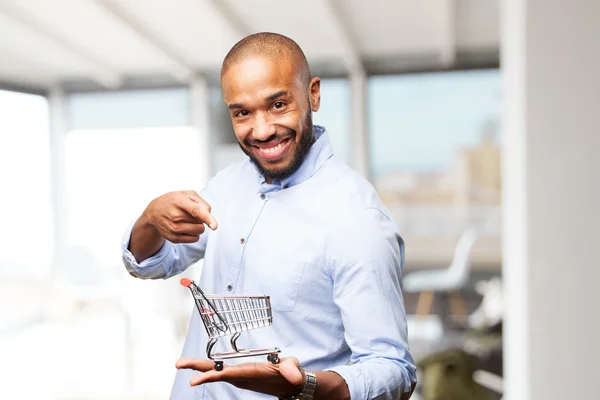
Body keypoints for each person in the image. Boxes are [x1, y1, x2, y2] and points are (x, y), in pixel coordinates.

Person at [121, 32, 417, 400]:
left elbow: (394, 370)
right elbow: (149, 264)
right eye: (242, 112)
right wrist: (150, 219)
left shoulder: (356, 219)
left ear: (313, 95)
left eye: (278, 105)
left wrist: (304, 386)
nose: (261, 131)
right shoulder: (226, 186)